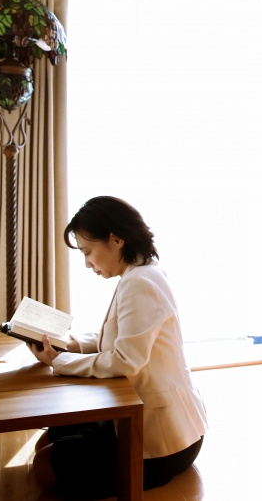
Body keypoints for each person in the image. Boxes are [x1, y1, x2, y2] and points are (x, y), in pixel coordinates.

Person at [28, 196, 208, 499]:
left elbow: (126, 360)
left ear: (115, 240)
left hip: (163, 442)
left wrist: (59, 362)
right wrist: (73, 344)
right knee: (49, 443)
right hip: (164, 424)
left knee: (45, 465)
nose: (87, 262)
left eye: (87, 251)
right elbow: (120, 334)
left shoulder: (140, 282)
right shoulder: (142, 273)